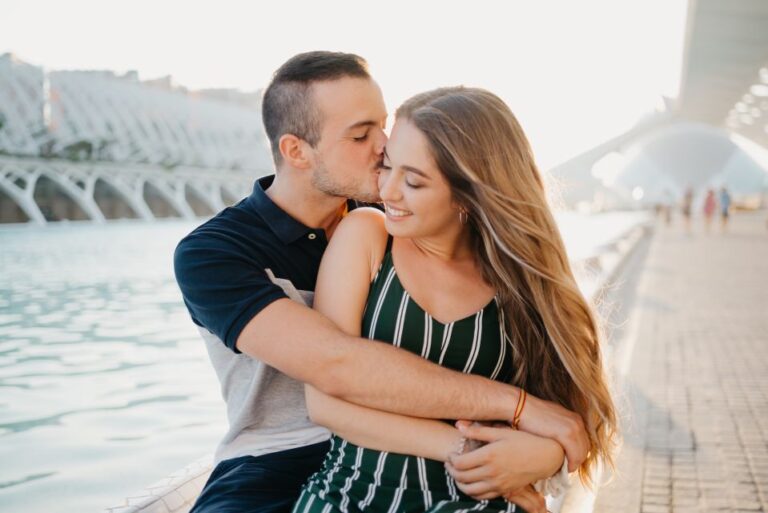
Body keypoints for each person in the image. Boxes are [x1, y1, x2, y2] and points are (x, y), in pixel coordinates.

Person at [174, 52, 589, 513]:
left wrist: (543, 449)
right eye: (360, 134)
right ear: (297, 151)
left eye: (383, 124)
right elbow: (337, 365)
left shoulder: (398, 223)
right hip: (275, 460)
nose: (384, 145)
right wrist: (517, 410)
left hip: (417, 451)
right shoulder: (215, 253)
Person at [293, 87, 617, 513]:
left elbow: (573, 418)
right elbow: (323, 404)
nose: (388, 191)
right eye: (387, 167)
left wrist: (548, 455)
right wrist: (465, 448)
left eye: (413, 181)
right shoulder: (367, 237)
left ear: (468, 194)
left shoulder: (519, 280)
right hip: (351, 497)